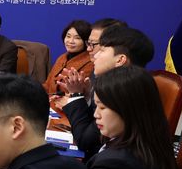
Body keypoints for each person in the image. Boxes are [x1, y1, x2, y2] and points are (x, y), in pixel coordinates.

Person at [60, 25, 154, 160]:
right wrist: (86, 96)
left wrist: (77, 96)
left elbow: (85, 140)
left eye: (102, 50)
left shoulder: (120, 92)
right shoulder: (130, 84)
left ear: (120, 60)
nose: (94, 55)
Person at [43, 20, 93, 94]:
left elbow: (82, 93)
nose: (70, 41)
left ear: (86, 41)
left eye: (77, 38)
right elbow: (47, 85)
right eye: (68, 36)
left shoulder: (91, 62)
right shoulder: (62, 58)